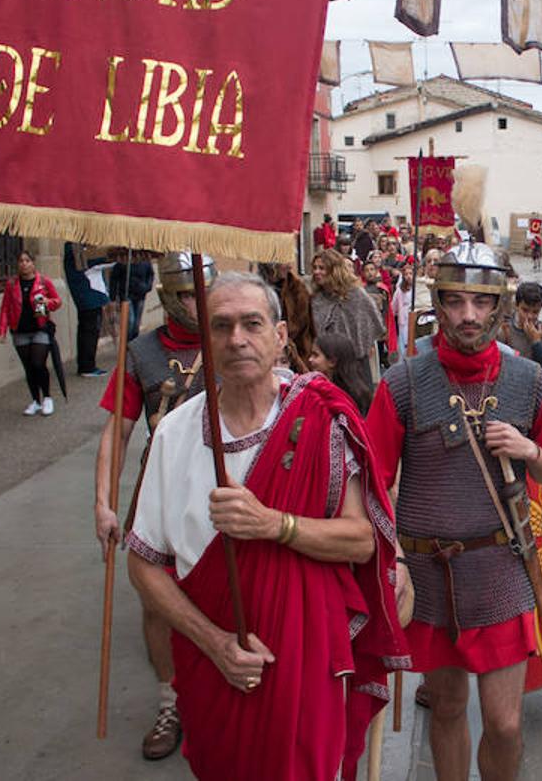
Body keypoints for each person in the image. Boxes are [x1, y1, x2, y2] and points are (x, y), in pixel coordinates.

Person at [126, 272, 408, 780]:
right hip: (213, 665)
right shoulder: (175, 434)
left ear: (279, 335)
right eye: (222, 326)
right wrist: (215, 644)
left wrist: (275, 524)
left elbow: (362, 539)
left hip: (307, 661)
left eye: (252, 323)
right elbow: (144, 563)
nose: (237, 339)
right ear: (206, 341)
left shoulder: (322, 418)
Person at [365, 242, 542, 781]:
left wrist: (528, 450)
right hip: (430, 571)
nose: (468, 316)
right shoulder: (403, 382)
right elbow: (374, 484)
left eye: (479, 303)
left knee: (504, 724)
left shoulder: (528, 379)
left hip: (501, 568)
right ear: (438, 302)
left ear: (498, 307)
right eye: (455, 302)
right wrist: (391, 557)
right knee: (450, 709)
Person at [93, 253, 213, 760]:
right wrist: (103, 503)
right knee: (157, 598)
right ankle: (172, 700)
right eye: (185, 294)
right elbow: (116, 432)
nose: (195, 303)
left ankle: (219, 694)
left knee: (226, 595)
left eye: (200, 292)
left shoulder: (229, 336)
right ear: (166, 296)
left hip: (222, 487)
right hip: (159, 488)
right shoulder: (140, 351)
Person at [0, 250, 62, 416]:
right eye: (21, 261)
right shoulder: (12, 285)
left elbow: (57, 301)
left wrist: (47, 302)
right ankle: (35, 401)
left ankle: (47, 397)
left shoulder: (43, 282)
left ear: (33, 263)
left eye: (27, 260)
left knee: (38, 364)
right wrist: (2, 330)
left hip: (40, 328)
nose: (24, 264)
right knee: (29, 368)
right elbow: (5, 308)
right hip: (20, 331)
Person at [310, 249, 386, 383]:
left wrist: (364, 344)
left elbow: (372, 323)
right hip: (326, 369)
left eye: (322, 268)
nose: (316, 272)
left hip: (356, 367)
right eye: (315, 268)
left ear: (334, 270)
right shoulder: (316, 299)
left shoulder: (356, 295)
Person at [498, 281, 542, 384]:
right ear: (517, 306)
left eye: (535, 312)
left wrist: (537, 342)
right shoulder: (503, 332)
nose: (530, 316)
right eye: (525, 310)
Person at [64, 243, 110, 377]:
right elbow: (86, 262)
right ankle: (87, 366)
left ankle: (88, 364)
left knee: (92, 330)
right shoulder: (73, 247)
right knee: (89, 330)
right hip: (86, 293)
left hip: (91, 293)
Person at [308, 332, 375, 417]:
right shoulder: (315, 387)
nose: (310, 359)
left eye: (315, 355)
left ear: (332, 361)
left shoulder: (353, 398)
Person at [110, 254, 156, 341]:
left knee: (136, 323)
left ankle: (134, 342)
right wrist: (112, 297)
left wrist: (147, 287)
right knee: (130, 321)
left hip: (140, 295)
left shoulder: (145, 262)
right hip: (126, 296)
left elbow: (150, 274)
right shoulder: (122, 263)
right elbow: (114, 280)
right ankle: (127, 343)